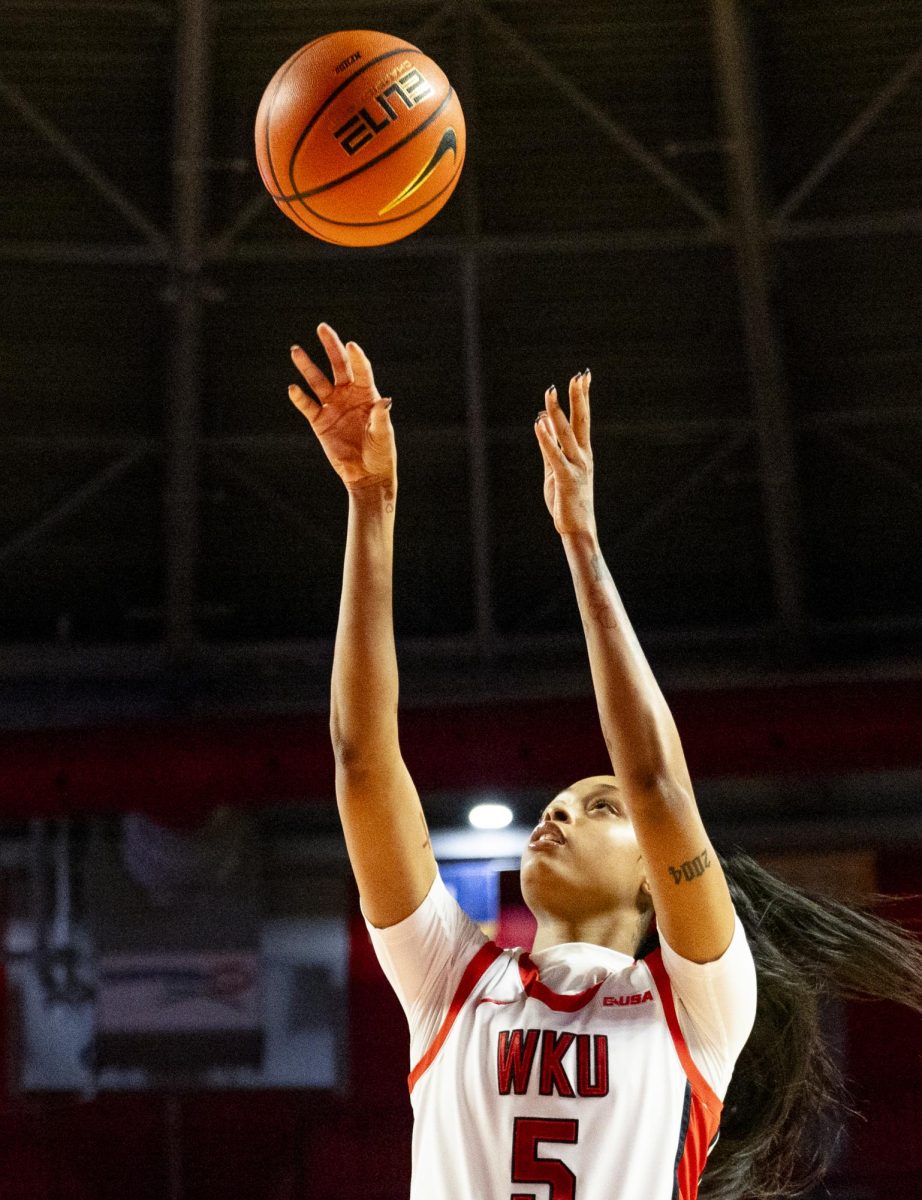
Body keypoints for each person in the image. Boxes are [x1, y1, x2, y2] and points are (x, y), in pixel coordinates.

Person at [288, 323, 922, 1200]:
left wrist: (583, 546)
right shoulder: (451, 981)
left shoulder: (700, 1004)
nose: (557, 813)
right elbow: (361, 760)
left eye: (598, 807)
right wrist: (370, 502)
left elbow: (658, 785)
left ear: (654, 882)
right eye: (561, 801)